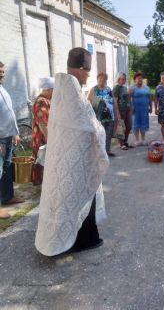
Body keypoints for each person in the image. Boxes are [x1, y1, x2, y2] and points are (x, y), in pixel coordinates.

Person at [35, 48, 109, 256]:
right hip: (77, 160)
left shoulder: (62, 88)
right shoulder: (72, 91)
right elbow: (89, 125)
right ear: (79, 69)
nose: (88, 75)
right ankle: (84, 240)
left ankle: (71, 237)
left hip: (66, 156)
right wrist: (101, 130)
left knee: (65, 199)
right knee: (83, 196)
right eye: (87, 71)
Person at [0, 61, 24, 219]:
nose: (2, 74)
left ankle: (8, 197)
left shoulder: (2, 88)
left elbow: (9, 112)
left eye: (3, 71)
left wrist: (15, 132)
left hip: (9, 135)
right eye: (0, 71)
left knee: (7, 168)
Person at [87, 72, 115, 157]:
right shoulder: (93, 90)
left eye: (104, 79)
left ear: (106, 80)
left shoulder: (109, 89)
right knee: (100, 135)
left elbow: (113, 102)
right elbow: (88, 102)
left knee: (109, 134)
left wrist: (116, 114)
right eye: (100, 79)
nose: (102, 81)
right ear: (97, 79)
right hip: (98, 117)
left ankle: (107, 151)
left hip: (110, 116)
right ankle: (100, 153)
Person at [32, 77, 54, 160]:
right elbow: (42, 124)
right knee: (42, 166)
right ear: (48, 90)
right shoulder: (42, 102)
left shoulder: (46, 100)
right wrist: (49, 141)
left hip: (44, 139)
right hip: (42, 140)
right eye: (53, 90)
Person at [129, 71, 152, 146]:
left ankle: (143, 139)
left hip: (144, 109)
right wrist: (131, 108)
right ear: (135, 79)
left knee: (143, 123)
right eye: (138, 78)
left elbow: (149, 98)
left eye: (141, 78)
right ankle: (137, 140)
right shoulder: (132, 88)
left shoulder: (147, 87)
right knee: (136, 123)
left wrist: (151, 107)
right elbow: (129, 98)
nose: (140, 80)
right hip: (136, 108)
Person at [113, 72, 133, 150]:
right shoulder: (116, 88)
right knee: (120, 127)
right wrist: (117, 113)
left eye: (125, 79)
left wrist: (131, 108)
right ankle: (121, 144)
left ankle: (125, 141)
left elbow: (128, 99)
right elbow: (115, 101)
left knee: (129, 126)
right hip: (120, 110)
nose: (124, 81)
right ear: (118, 79)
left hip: (127, 110)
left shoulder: (125, 88)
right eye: (123, 79)